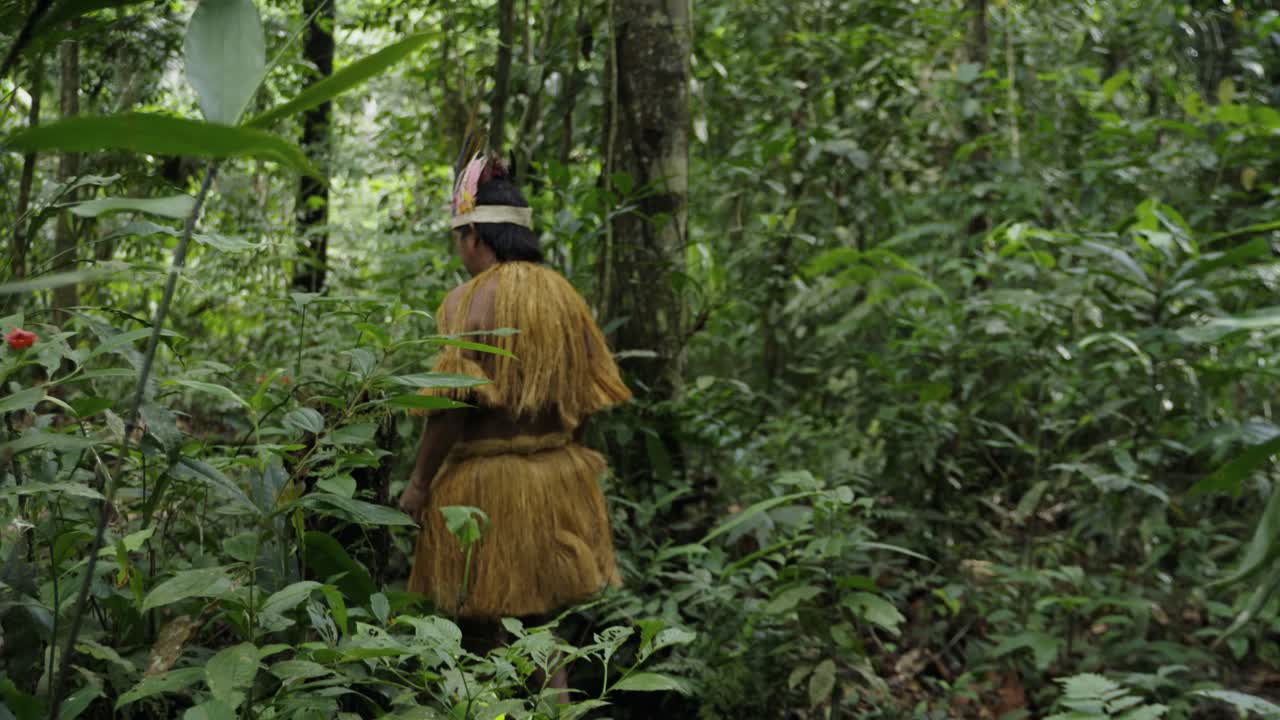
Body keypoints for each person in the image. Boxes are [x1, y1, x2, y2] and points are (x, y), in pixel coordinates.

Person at [397, 151, 631, 694]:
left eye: (460, 239)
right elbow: (588, 400)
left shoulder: (466, 300)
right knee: (542, 632)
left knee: (478, 633)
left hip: (485, 491)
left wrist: (417, 484)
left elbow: (451, 408)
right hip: (555, 479)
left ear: (475, 236)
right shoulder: (564, 299)